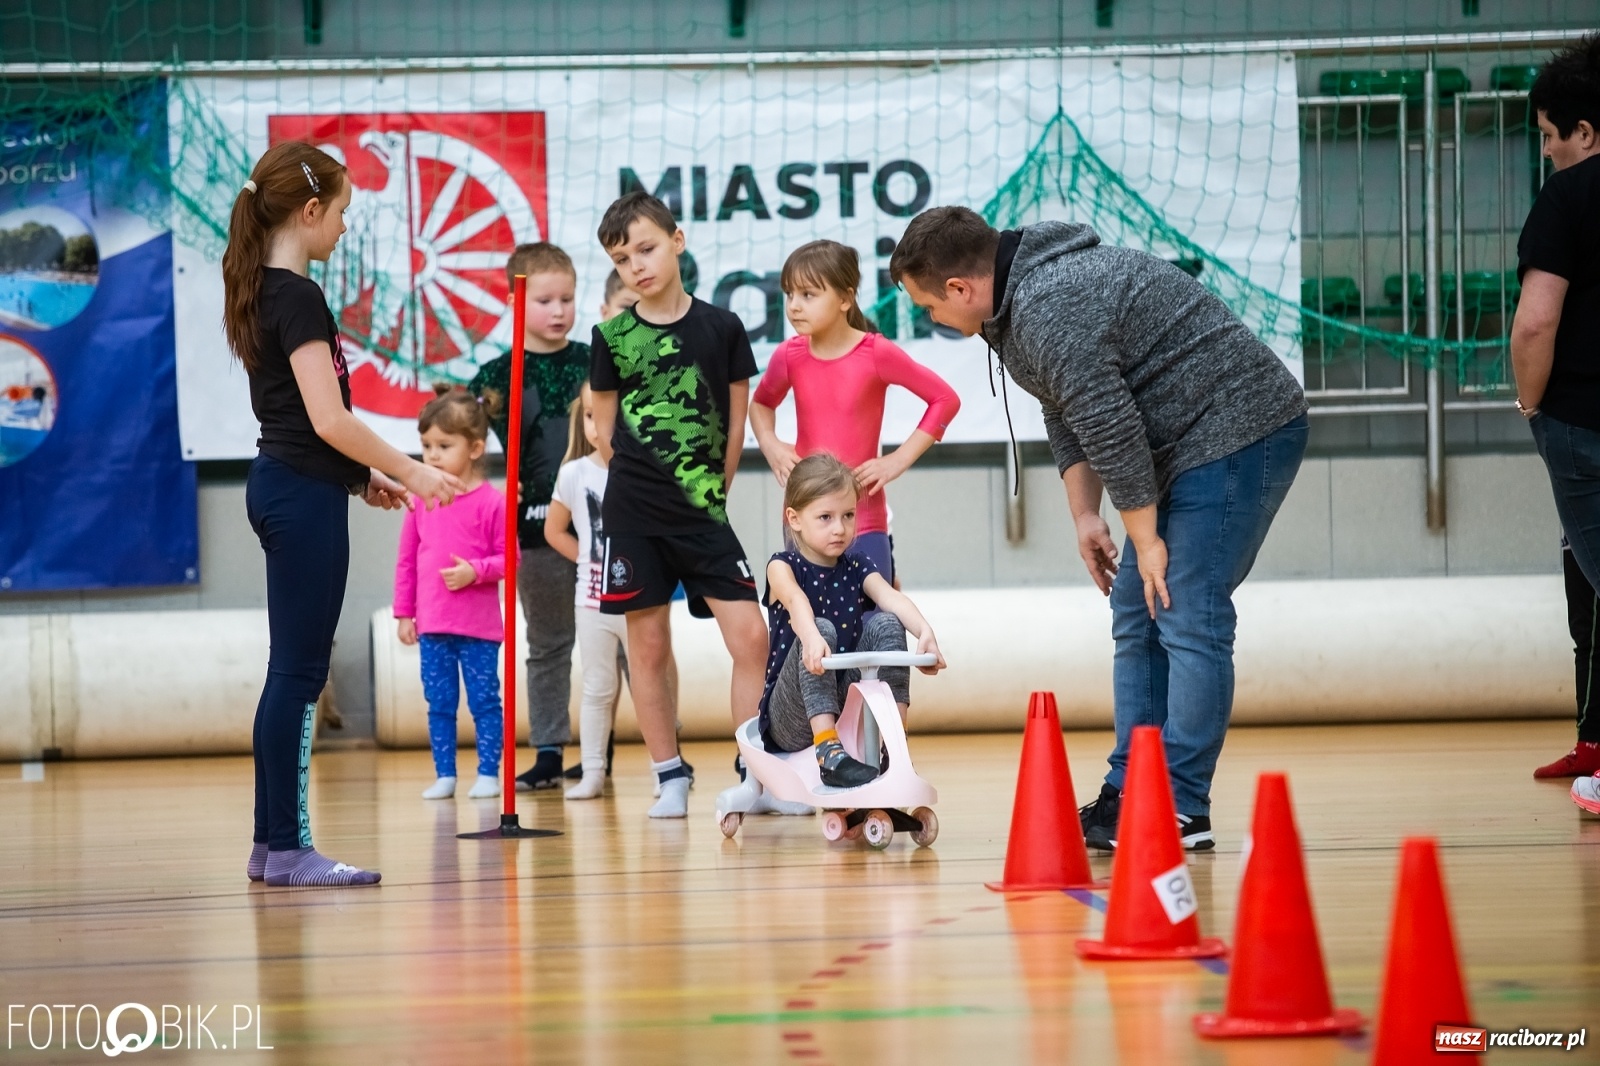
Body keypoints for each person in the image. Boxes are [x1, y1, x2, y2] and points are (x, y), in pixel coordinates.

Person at [890, 206, 1307, 852]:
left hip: (1240, 429)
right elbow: (1065, 410)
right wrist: (1086, 514)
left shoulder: (1048, 305)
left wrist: (1146, 539)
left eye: (929, 307)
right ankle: (1133, 787)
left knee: (1185, 607)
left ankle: (1181, 805)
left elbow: (1111, 426)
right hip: (1183, 446)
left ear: (959, 288)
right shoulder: (1010, 311)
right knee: (1136, 608)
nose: (932, 319)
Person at [223, 141, 461, 887]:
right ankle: (291, 848)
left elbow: (302, 419)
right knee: (299, 675)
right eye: (342, 213)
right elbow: (327, 418)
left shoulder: (265, 288)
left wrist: (361, 478)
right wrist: (412, 470)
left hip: (289, 483)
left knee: (288, 673)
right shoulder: (297, 296)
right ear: (310, 211)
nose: (345, 228)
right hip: (298, 494)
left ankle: (271, 846)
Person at [589, 190, 797, 819]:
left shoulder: (722, 327)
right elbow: (606, 431)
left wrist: (712, 492)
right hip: (633, 515)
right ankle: (669, 776)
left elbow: (735, 426)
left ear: (677, 241)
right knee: (648, 647)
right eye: (622, 259)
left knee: (752, 637)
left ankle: (756, 775)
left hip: (703, 513)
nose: (637, 266)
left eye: (646, 249)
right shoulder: (611, 336)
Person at [751, 240, 961, 582]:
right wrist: (770, 444)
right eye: (789, 294)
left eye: (808, 295)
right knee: (810, 614)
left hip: (864, 521)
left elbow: (945, 399)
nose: (794, 306)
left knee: (875, 613)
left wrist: (897, 460)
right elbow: (761, 404)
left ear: (845, 299)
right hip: (805, 521)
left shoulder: (875, 353)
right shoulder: (789, 356)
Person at [1508, 33, 1600, 802]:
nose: (1547, 152)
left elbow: (1535, 322)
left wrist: (1531, 405)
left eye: (1548, 136)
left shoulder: (1568, 198)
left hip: (1582, 425)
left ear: (1586, 133)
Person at [467, 243, 588, 792]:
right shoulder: (495, 376)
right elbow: (463, 439)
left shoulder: (595, 360)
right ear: (516, 300)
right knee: (547, 641)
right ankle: (548, 749)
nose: (559, 311)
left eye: (567, 298)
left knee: (623, 642)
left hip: (603, 525)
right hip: (535, 532)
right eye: (544, 301)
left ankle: (610, 746)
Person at [760, 454, 945, 784]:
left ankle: (895, 748)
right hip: (791, 715)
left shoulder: (857, 564)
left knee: (888, 622)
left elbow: (890, 597)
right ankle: (828, 752)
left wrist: (924, 631)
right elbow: (796, 601)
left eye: (848, 515)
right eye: (825, 517)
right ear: (794, 518)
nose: (840, 528)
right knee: (821, 629)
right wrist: (812, 638)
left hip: (844, 701)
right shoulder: (782, 566)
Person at [394, 386, 508, 802]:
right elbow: (407, 561)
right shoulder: (421, 500)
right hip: (433, 625)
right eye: (427, 446)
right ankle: (445, 774)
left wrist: (475, 572)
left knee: (484, 701)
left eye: (444, 446)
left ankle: (488, 773)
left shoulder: (492, 503)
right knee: (439, 702)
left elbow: (510, 559)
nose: (433, 455)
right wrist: (404, 613)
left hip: (478, 629)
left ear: (475, 448)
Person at [546, 384, 623, 800]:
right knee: (597, 687)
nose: (597, 425)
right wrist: (588, 561)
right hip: (591, 600)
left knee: (653, 687)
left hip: (641, 600)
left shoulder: (644, 470)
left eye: (606, 413)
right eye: (590, 415)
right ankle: (593, 771)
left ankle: (666, 773)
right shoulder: (574, 473)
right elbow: (553, 530)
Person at [1535, 538, 1600, 778]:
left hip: (1587, 531)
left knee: (1590, 636)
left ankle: (1591, 744)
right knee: (1586, 635)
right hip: (1575, 535)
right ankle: (1590, 743)